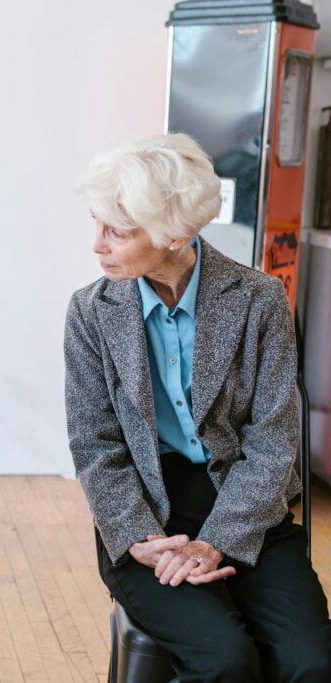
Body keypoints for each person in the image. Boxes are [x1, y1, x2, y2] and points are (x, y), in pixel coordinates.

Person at [65, 133, 331, 680]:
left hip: (249, 504)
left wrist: (218, 542)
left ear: (174, 233)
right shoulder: (90, 313)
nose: (97, 245)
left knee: (311, 662)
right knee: (225, 659)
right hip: (148, 514)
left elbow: (273, 441)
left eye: (116, 231)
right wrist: (142, 539)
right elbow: (95, 445)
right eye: (98, 225)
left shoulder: (258, 300)